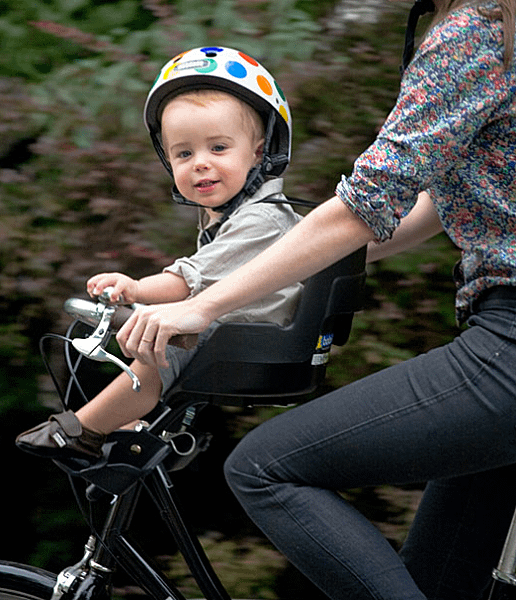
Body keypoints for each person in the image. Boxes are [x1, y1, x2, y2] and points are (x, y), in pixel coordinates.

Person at [103, 1, 516, 599]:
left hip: (506, 345)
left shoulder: (476, 31)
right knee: (432, 584)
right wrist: (283, 261)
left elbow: (365, 203)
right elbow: (433, 205)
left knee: (264, 468)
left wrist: (206, 304)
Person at [15, 46, 304, 461]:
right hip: (238, 332)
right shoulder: (231, 216)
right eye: (184, 154)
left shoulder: (262, 219)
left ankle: (85, 427)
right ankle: (132, 421)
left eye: (218, 148)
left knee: (161, 341)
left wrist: (133, 288)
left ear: (258, 152)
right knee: (145, 333)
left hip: (256, 340)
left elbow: (185, 280)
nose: (200, 164)